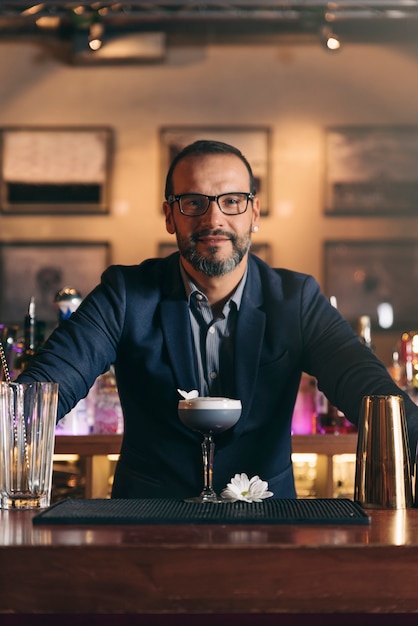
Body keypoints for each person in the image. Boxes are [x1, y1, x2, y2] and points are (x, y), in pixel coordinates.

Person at [17, 139, 418, 499]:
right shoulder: (125, 293)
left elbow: (367, 389)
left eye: (232, 200)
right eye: (193, 202)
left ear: (254, 212)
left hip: (269, 529)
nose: (213, 220)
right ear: (170, 216)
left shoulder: (296, 299)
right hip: (147, 528)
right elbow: (49, 385)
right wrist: (13, 420)